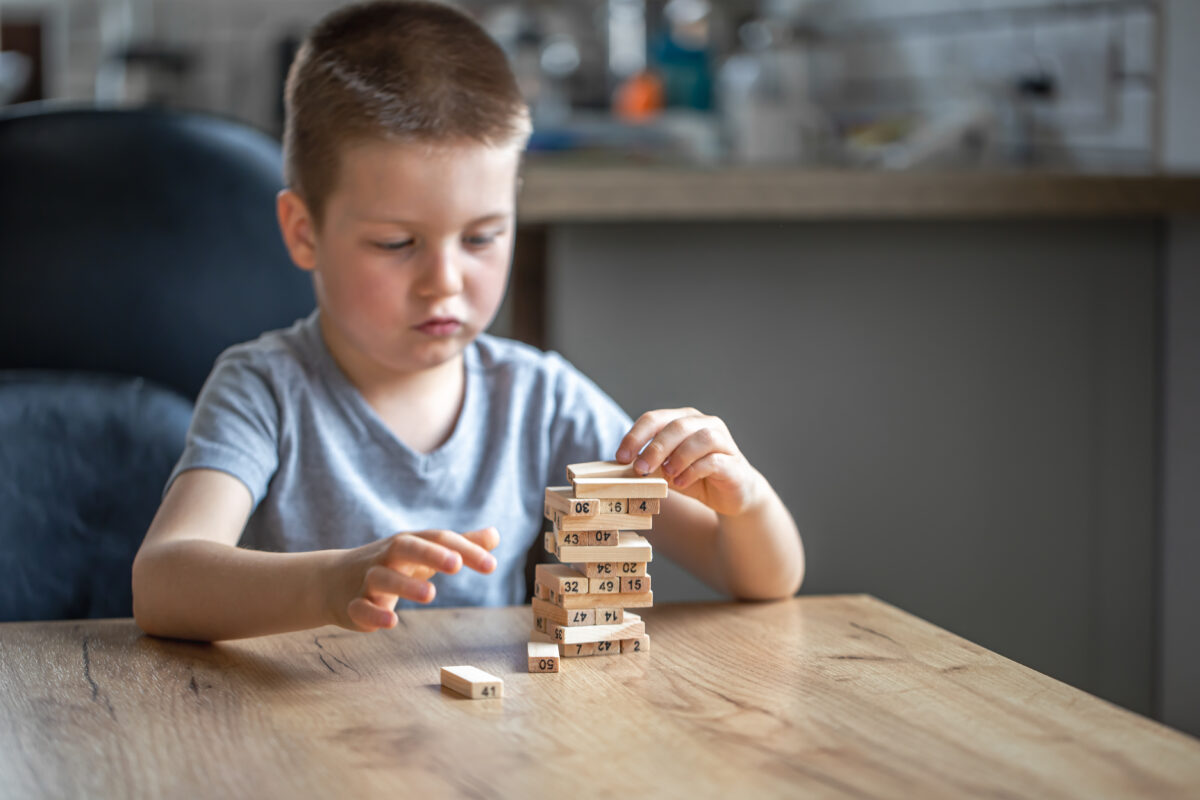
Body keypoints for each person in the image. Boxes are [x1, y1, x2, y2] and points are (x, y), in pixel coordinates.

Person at [131, 0, 804, 642]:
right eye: (397, 244)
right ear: (303, 232)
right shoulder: (264, 390)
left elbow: (753, 576)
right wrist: (333, 583)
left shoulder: (539, 399)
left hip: (486, 750)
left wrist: (744, 501)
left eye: (482, 238)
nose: (444, 282)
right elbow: (163, 582)